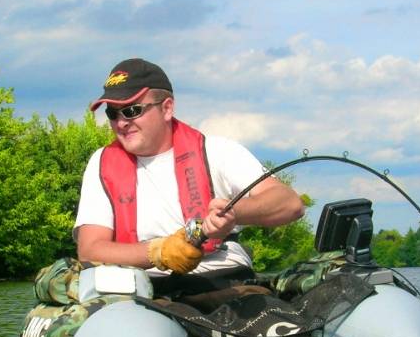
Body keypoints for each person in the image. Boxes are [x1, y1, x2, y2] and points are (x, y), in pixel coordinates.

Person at [74, 58, 305, 294]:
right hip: (141, 289)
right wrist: (159, 252)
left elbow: (290, 204)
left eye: (132, 111)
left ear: (167, 108)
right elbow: (90, 249)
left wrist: (235, 213)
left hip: (221, 279)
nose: (121, 122)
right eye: (113, 113)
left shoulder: (218, 150)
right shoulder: (101, 163)